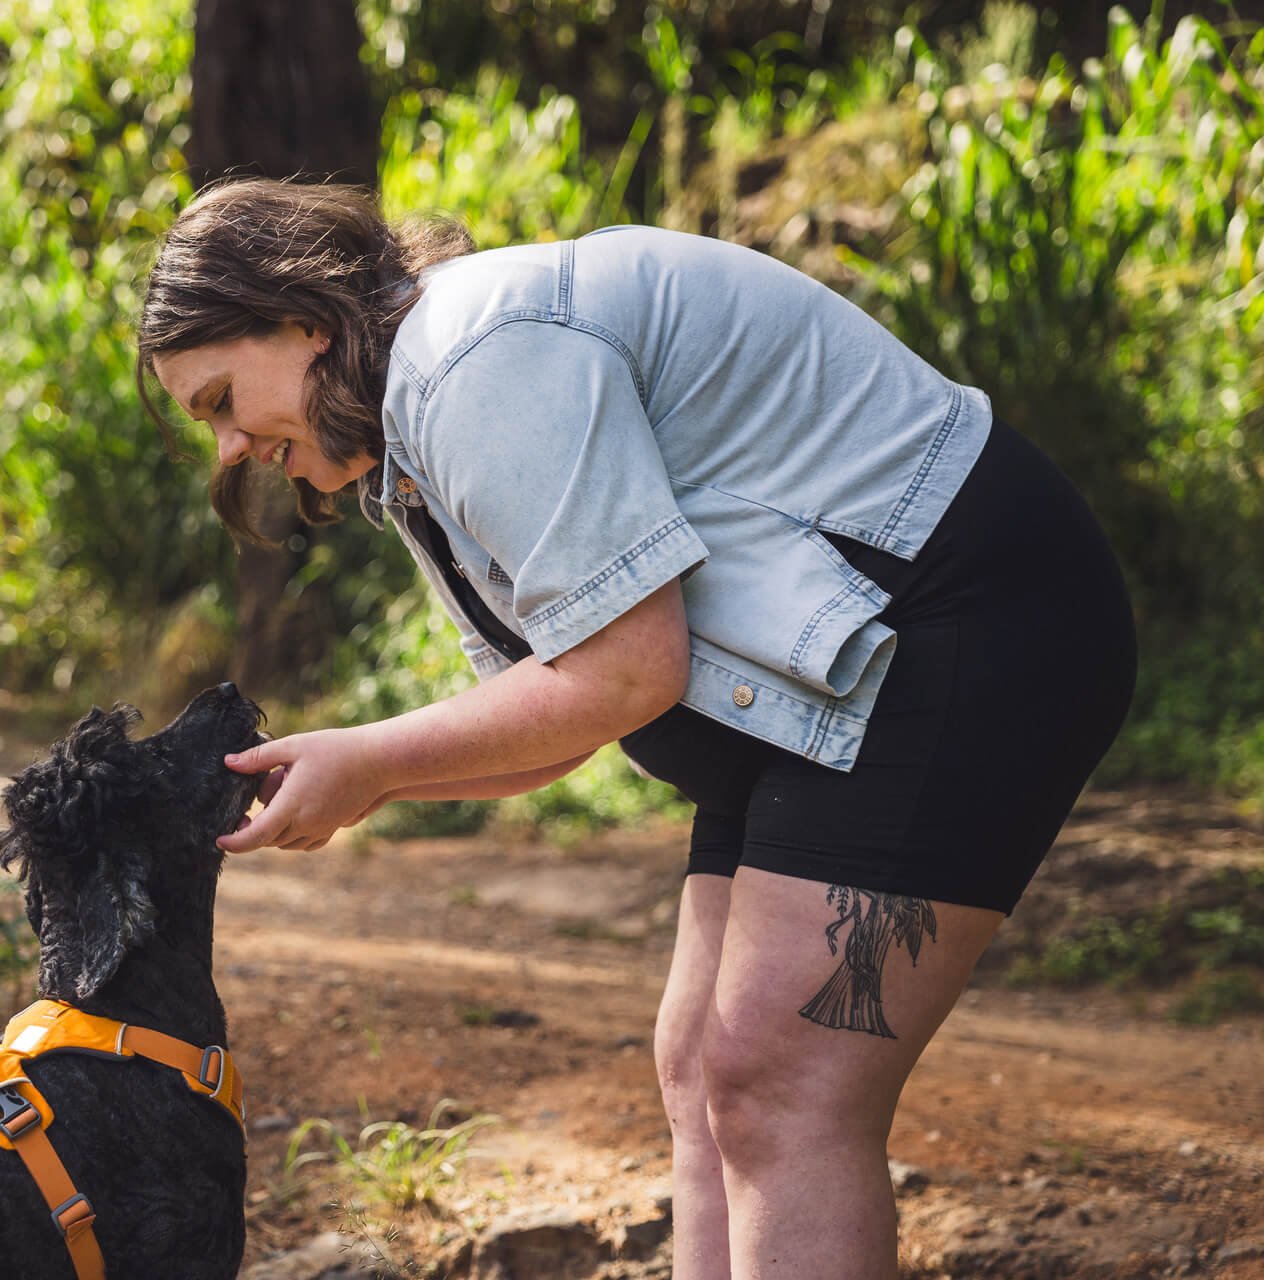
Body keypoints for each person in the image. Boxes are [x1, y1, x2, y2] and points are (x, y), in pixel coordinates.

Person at [135, 177, 1136, 1280]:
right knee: (704, 1073)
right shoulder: (415, 431)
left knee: (778, 1078)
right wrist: (358, 780)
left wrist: (370, 758)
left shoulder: (473, 360)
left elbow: (626, 669)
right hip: (829, 669)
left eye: (224, 399)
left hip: (958, 622)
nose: (229, 447)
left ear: (300, 321)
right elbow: (554, 717)